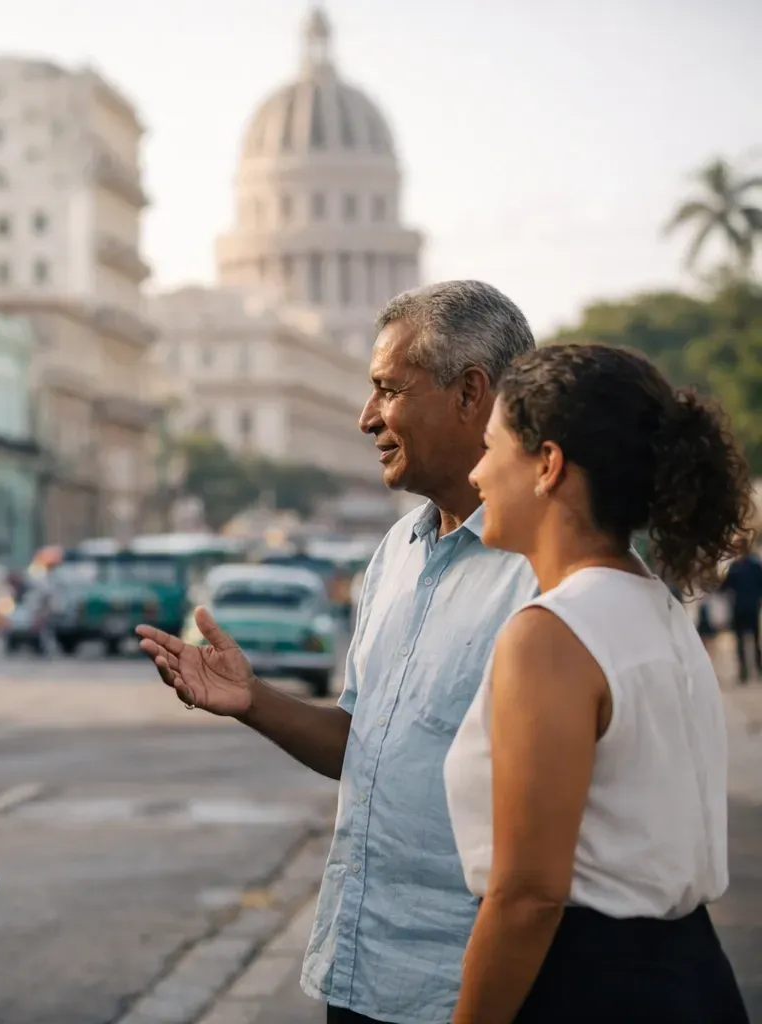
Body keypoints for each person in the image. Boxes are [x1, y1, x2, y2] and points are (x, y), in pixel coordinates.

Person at [138, 281, 540, 1023]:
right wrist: (252, 699)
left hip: (468, 989)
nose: (365, 419)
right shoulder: (397, 553)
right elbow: (365, 743)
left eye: (388, 390)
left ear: (470, 393)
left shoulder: (542, 569)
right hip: (359, 970)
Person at [444, 343, 750, 1022]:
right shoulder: (657, 610)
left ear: (547, 465)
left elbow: (527, 897)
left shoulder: (553, 634)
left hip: (590, 987)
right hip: (696, 978)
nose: (478, 473)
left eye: (492, 447)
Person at [720, 548, 762, 682]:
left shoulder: (736, 567)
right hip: (752, 607)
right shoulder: (755, 566)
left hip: (739, 607)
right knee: (754, 640)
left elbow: (725, 586)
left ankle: (744, 672)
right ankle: (757, 669)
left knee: (741, 641)